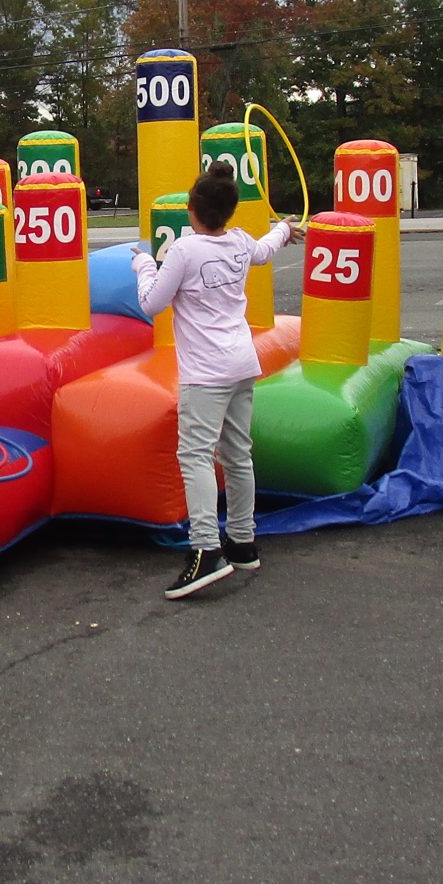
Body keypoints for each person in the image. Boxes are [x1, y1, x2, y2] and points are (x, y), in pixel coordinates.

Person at [130, 165, 294, 599]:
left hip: (205, 374)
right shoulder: (239, 241)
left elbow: (151, 303)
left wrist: (145, 263)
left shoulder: (183, 252)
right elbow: (264, 248)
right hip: (242, 364)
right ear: (229, 210)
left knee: (195, 457)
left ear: (191, 210)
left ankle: (206, 550)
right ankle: (243, 540)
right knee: (238, 454)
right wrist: (285, 230)